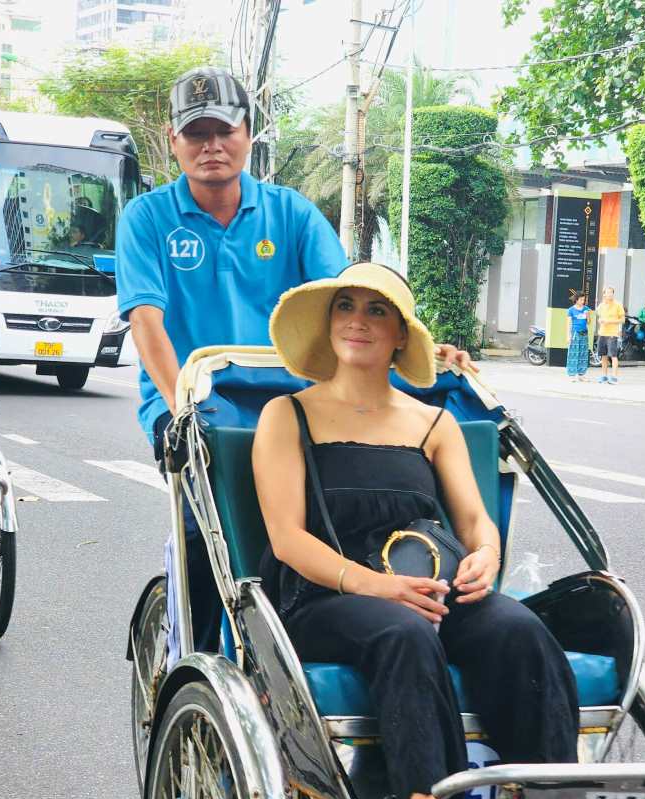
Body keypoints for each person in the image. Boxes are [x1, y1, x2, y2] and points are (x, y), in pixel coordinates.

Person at [116, 66, 471, 650]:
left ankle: (314, 634)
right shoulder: (148, 219)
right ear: (174, 141)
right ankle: (199, 663)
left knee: (337, 509)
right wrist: (182, 404)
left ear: (248, 134)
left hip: (294, 402)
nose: (212, 146)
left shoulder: (292, 213)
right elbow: (147, 322)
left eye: (224, 131)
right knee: (212, 531)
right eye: (196, 134)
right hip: (195, 401)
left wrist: (419, 345)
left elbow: (351, 305)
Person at [253, 263, 579, 799]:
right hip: (326, 599)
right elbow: (286, 539)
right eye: (345, 306)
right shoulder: (287, 415)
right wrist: (376, 586)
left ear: (401, 334)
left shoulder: (433, 422)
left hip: (429, 589)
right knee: (402, 631)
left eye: (377, 311)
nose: (358, 321)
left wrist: (486, 553)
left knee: (518, 630)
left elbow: (475, 520)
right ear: (327, 325)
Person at [595, 286, 625, 384]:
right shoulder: (601, 305)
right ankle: (604, 376)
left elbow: (622, 320)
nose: (610, 294)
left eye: (611, 292)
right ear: (604, 294)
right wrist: (600, 320)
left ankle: (614, 377)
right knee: (603, 355)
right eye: (608, 293)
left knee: (613, 355)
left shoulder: (618, 305)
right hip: (602, 333)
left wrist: (609, 321)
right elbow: (599, 317)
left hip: (613, 334)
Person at [565, 292, 590, 380]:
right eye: (581, 300)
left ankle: (581, 375)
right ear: (576, 300)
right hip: (575, 333)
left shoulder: (586, 308)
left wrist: (588, 315)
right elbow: (569, 324)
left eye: (584, 300)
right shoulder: (571, 310)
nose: (583, 301)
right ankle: (572, 375)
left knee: (583, 354)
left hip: (584, 333)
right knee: (573, 353)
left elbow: (589, 322)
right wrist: (568, 336)